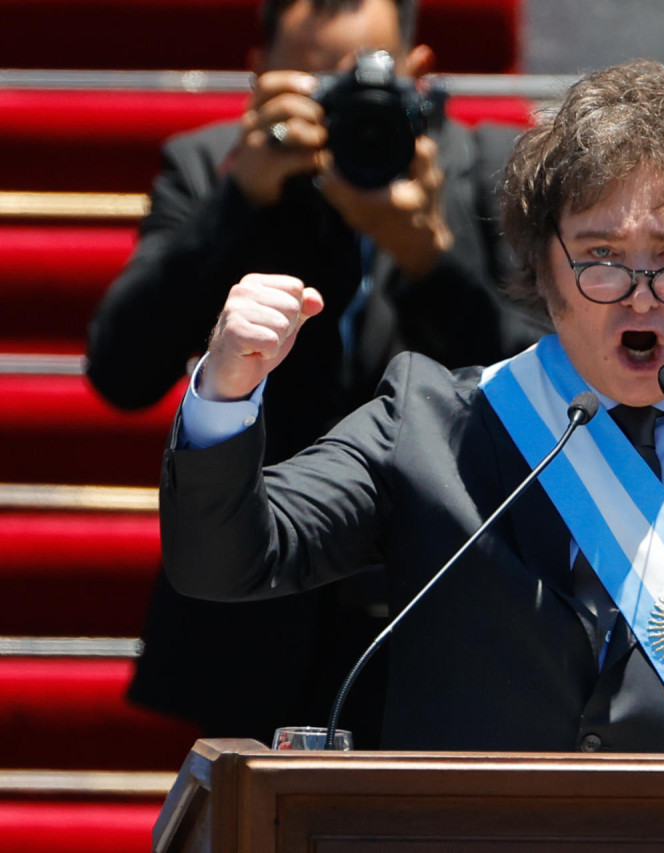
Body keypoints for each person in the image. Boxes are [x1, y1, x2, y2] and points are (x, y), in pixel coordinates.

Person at [157, 59, 664, 755]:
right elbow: (225, 559)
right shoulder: (430, 423)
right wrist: (227, 390)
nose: (640, 293)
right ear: (543, 268)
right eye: (599, 257)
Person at [85, 0, 546, 745]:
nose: (344, 103)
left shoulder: (492, 168)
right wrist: (241, 199)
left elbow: (553, 377)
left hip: (447, 604)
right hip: (255, 613)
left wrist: (428, 258)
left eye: (364, 77)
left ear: (418, 75)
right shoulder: (212, 166)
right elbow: (119, 369)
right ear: (258, 74)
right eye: (313, 78)